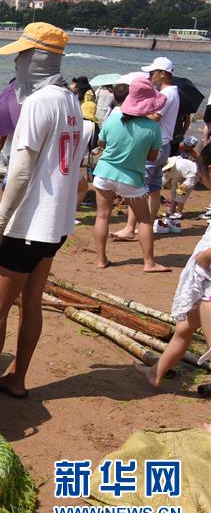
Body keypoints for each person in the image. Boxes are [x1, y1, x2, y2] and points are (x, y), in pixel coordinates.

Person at [0, 23, 86, 412]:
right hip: (55, 226)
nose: (16, 61)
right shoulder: (70, 100)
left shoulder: (38, 102)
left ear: (36, 59)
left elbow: (20, 171)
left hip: (28, 225)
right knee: (31, 302)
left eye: (21, 54)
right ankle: (16, 378)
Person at [138, 144, 211, 388]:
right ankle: (156, 373)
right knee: (183, 329)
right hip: (203, 283)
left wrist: (204, 258)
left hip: (209, 287)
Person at [91, 77, 169, 272]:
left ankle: (101, 260)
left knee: (102, 216)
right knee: (144, 219)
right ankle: (149, 263)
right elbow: (151, 157)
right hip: (131, 178)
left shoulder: (113, 119)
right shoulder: (152, 128)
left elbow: (102, 143)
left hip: (104, 173)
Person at [112, 57, 180, 240]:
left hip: (156, 143)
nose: (150, 77)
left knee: (139, 187)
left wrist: (134, 115)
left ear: (163, 74)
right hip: (164, 143)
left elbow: (156, 117)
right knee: (155, 187)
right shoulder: (172, 92)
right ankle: (146, 226)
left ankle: (131, 227)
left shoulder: (166, 94)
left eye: (152, 73)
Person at [160, 136, 200, 230]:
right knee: (173, 191)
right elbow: (164, 179)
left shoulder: (181, 165)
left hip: (192, 174)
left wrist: (185, 185)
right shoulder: (169, 169)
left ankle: (179, 212)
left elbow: (192, 176)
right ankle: (171, 211)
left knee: (181, 193)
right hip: (179, 175)